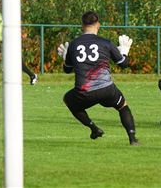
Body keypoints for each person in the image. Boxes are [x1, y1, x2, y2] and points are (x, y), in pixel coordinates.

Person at [57, 11, 139, 145]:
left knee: (69, 100)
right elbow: (124, 64)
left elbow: (67, 70)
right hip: (107, 90)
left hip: (84, 92)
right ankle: (132, 139)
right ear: (98, 25)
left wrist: (66, 57)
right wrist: (124, 52)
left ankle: (94, 128)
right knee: (123, 106)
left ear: (82, 25)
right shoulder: (105, 43)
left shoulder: (74, 44)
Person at [0, 0, 38, 86]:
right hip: (1, 42)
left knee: (17, 62)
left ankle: (32, 76)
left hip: (8, 42)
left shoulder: (8, 15)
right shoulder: (1, 15)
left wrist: (20, 34)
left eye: (1, 5)